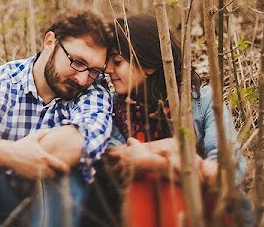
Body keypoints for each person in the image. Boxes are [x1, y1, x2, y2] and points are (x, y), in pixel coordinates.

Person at [0, 9, 114, 227]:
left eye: (93, 71)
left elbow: (79, 143)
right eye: (78, 62)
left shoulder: (93, 91)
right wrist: (11, 155)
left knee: (68, 174)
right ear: (50, 41)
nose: (83, 79)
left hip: (49, 208)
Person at [81, 14, 251, 227]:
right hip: (137, 209)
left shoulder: (203, 101)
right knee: (142, 182)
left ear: (149, 65)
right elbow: (121, 161)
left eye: (117, 61)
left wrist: (157, 162)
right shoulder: (113, 108)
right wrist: (174, 154)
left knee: (170, 185)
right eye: (107, 63)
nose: (107, 70)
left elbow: (227, 173)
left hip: (207, 210)